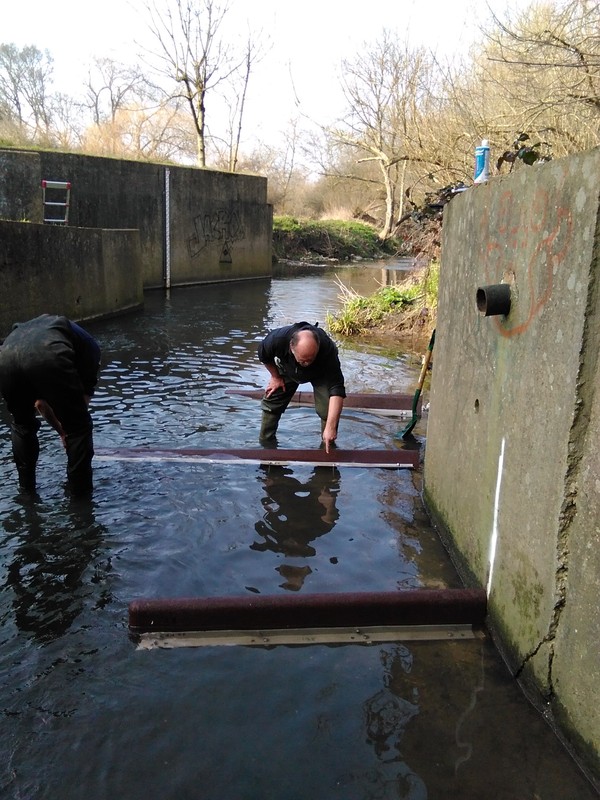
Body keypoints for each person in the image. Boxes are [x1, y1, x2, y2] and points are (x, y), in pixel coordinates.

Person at [0, 314, 101, 495]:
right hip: (47, 353)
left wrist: (62, 432)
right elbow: (78, 412)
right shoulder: (91, 349)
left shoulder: (57, 333)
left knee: (22, 425)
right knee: (79, 429)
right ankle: (80, 499)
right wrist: (68, 433)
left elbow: (39, 404)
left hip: (6, 353)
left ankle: (26, 491)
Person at [257, 321, 346, 451]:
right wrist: (275, 377)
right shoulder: (277, 340)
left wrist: (331, 427)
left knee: (328, 411)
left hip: (320, 373)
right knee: (272, 399)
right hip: (289, 368)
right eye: (303, 360)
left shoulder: (327, 349)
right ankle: (266, 444)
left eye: (310, 359)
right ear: (291, 348)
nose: (307, 364)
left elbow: (337, 388)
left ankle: (327, 446)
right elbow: (263, 355)